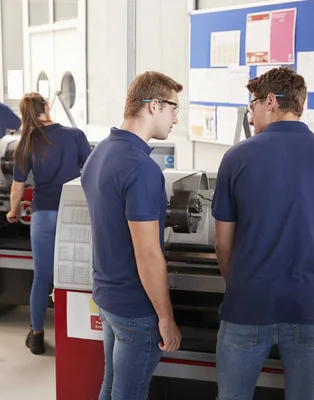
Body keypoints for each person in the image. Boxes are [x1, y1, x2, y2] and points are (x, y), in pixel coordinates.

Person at [211, 66, 314, 400]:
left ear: (271, 101)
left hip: (247, 306)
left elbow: (223, 244)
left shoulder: (235, 159)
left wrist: (240, 285)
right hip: (310, 308)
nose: (250, 117)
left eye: (252, 106)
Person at [81, 71, 183, 399]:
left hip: (107, 297)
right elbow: (147, 253)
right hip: (136, 308)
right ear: (154, 105)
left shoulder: (99, 154)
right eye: (173, 108)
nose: (176, 119)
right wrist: (165, 318)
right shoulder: (141, 168)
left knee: (111, 386)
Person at [6, 92, 91, 355]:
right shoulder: (74, 135)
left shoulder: (26, 143)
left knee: (42, 277)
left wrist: (12, 211)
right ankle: (79, 332)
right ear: (46, 107)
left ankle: (37, 334)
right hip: (73, 214)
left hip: (43, 214)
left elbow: (17, 187)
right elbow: (90, 172)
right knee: (79, 274)